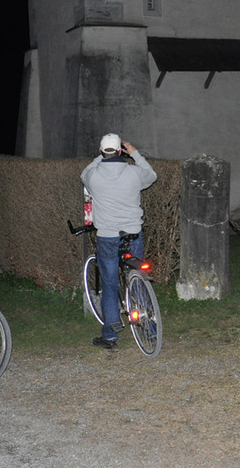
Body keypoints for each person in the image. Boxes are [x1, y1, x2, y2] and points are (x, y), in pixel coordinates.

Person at [81, 133, 158, 349]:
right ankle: (151, 329)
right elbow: (152, 175)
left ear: (100, 151)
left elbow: (83, 174)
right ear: (120, 151)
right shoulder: (133, 173)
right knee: (138, 276)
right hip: (132, 233)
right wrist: (135, 154)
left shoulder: (94, 175)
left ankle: (110, 335)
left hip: (107, 236)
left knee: (109, 284)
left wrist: (100, 157)